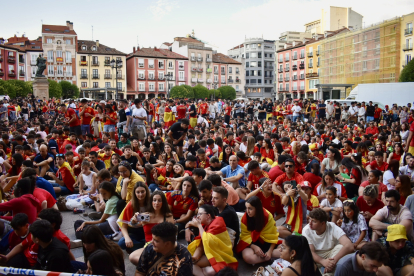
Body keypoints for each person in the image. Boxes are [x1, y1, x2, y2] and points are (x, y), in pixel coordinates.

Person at [188, 204, 238, 276]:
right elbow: (201, 245)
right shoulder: (204, 224)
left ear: (208, 216)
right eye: (197, 214)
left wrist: (199, 225)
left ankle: (204, 271)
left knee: (210, 272)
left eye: (200, 214)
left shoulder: (217, 223)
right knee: (189, 264)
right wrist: (195, 258)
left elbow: (207, 240)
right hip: (211, 253)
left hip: (221, 256)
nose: (198, 216)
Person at [302, 208, 354, 275]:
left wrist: (332, 262)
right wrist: (323, 261)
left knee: (340, 247)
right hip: (316, 256)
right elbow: (311, 252)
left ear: (323, 223)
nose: (310, 223)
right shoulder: (306, 230)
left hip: (332, 254)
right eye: (309, 219)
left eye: (314, 221)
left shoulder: (332, 226)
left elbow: (349, 245)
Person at [128, 191, 174, 265]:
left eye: (159, 200)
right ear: (151, 202)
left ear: (163, 202)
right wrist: (133, 220)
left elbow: (173, 234)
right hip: (149, 245)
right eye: (154, 200)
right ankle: (157, 265)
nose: (157, 203)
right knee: (132, 257)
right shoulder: (145, 216)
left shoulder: (168, 216)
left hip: (163, 245)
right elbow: (132, 225)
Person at [236, 196, 281, 265]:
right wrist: (253, 246)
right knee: (248, 257)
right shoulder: (245, 218)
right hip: (252, 242)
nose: (247, 211)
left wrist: (269, 252)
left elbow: (273, 236)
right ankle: (269, 257)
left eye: (250, 208)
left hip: (267, 242)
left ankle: (268, 256)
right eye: (246, 208)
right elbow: (244, 236)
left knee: (285, 250)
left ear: (257, 209)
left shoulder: (267, 216)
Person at [117, 182, 150, 253]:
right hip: (134, 231)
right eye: (138, 192)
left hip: (148, 229)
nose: (140, 194)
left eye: (142, 192)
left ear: (146, 191)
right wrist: (127, 238)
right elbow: (124, 226)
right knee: (121, 243)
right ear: (134, 193)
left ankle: (140, 248)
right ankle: (146, 247)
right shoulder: (130, 205)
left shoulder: (151, 202)